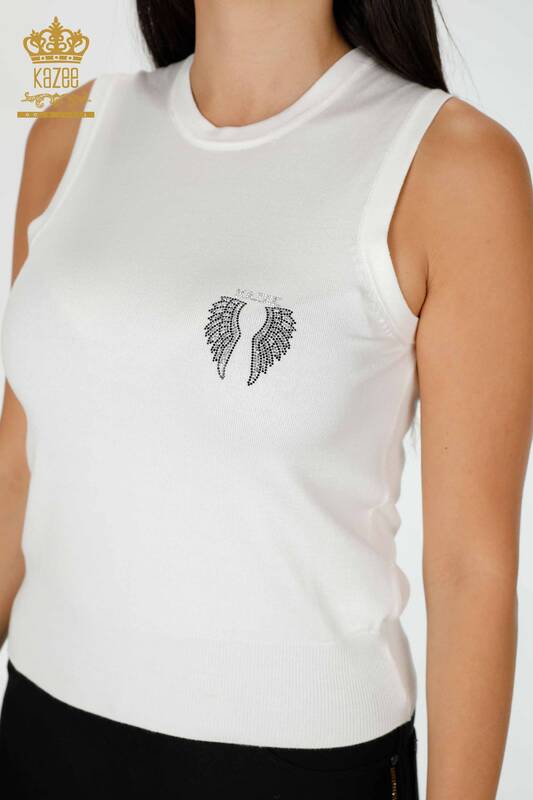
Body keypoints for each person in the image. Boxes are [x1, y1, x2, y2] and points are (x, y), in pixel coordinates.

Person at [0, 1, 531, 797]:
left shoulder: (450, 164)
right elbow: (19, 461)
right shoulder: (73, 129)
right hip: (41, 728)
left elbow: (470, 570)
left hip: (290, 766)